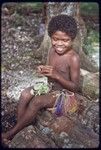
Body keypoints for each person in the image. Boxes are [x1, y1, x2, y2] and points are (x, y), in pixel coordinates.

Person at [2, 14, 80, 146]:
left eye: (65, 40)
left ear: (72, 39)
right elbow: (51, 73)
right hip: (50, 88)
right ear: (50, 37)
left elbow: (75, 87)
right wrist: (44, 71)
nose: (59, 44)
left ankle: (11, 133)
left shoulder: (73, 58)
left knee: (37, 101)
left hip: (65, 96)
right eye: (56, 39)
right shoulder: (51, 50)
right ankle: (22, 125)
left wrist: (57, 75)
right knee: (25, 94)